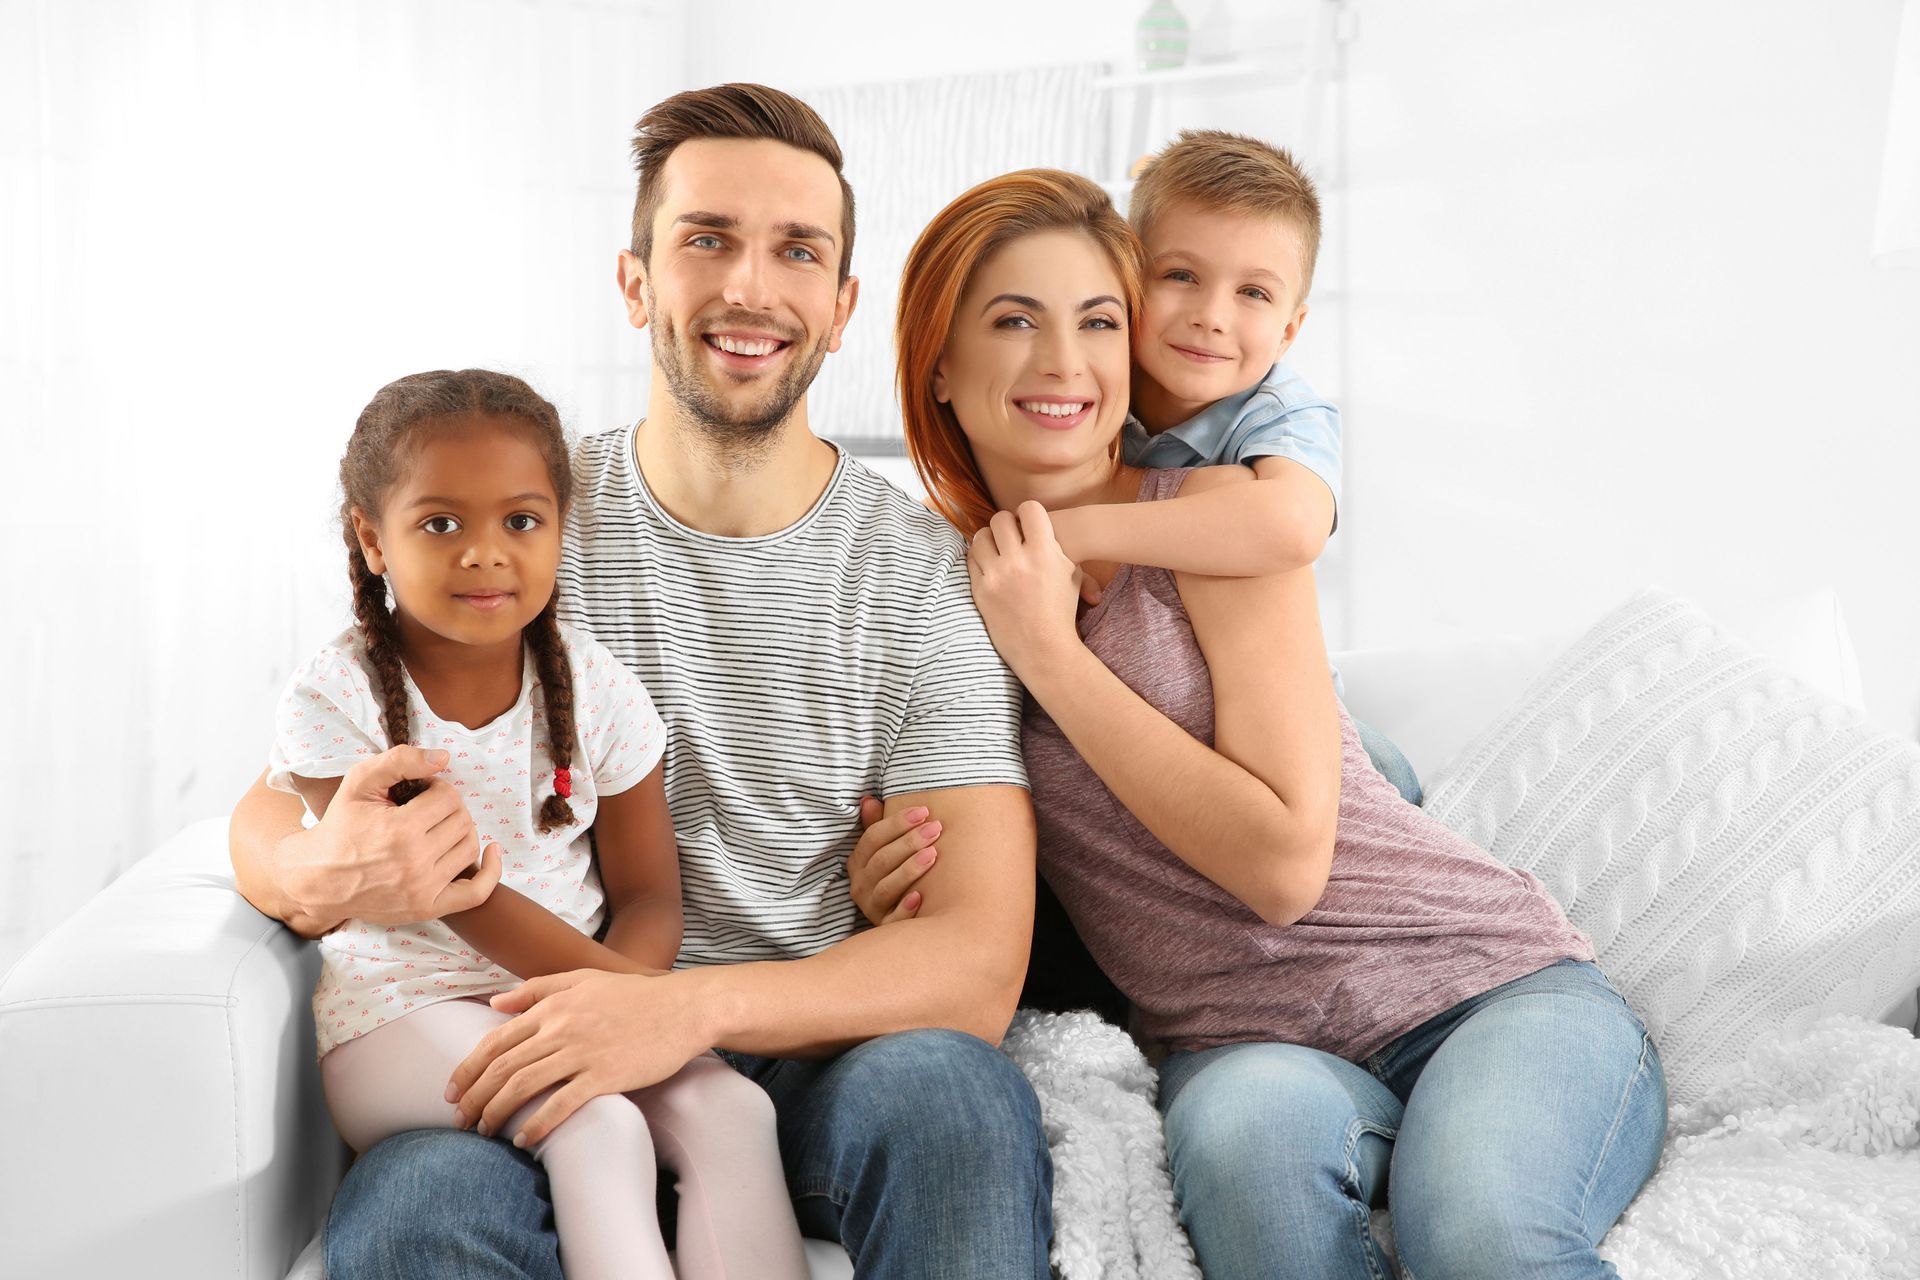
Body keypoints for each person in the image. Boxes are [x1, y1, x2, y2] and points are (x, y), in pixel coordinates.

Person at [230, 85, 1051, 1280]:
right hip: (521, 1026)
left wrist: (686, 1012)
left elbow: (978, 967)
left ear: (842, 306)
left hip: (806, 1050)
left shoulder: (922, 577)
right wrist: (322, 867)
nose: (750, 289)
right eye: (706, 239)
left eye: (797, 251)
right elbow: (290, 792)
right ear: (634, 281)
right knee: (415, 1211)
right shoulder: (513, 518)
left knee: (958, 1097)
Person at [861, 167, 1668, 1280]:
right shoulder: (934, 596)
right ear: (938, 362)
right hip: (1241, 1045)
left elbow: (1286, 865)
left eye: (1097, 320)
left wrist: (1051, 650)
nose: (1063, 360)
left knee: (1480, 1236)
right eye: (1014, 320)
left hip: (1485, 989)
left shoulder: (1216, 523)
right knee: (1263, 1211)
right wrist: (881, 886)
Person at [268, 367, 808, 1280]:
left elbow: (648, 897)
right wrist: (615, 1009)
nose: (485, 553)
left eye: (521, 521)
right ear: (372, 538)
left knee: (733, 1112)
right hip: (400, 1017)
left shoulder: (596, 689)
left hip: (564, 996)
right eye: (441, 524)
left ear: (561, 529)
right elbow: (457, 896)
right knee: (595, 1123)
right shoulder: (339, 698)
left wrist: (627, 1006)